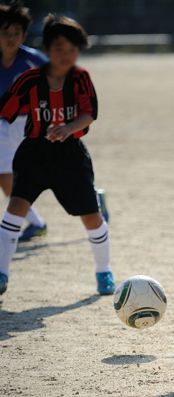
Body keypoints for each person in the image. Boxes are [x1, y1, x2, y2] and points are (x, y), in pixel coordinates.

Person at [0, 14, 114, 296]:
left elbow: (90, 113)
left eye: (73, 49)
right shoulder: (28, 79)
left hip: (70, 157)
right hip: (33, 154)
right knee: (14, 210)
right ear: (48, 49)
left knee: (91, 218)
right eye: (60, 48)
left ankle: (104, 271)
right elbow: (6, 110)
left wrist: (69, 127)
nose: (67, 55)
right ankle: (1, 274)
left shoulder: (80, 78)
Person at [0, 3, 48, 241]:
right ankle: (36, 222)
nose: (10, 39)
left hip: (32, 124)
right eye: (5, 33)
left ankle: (94, 200)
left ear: (24, 35)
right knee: (6, 181)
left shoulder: (34, 60)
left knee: (57, 175)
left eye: (15, 33)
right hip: (4, 127)